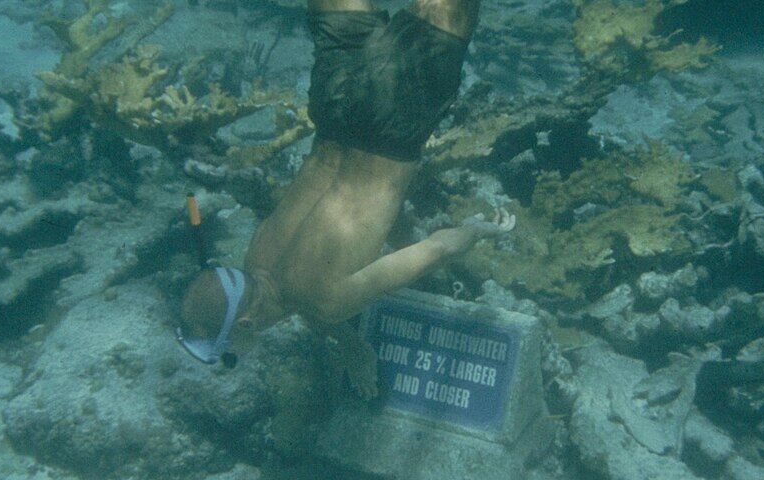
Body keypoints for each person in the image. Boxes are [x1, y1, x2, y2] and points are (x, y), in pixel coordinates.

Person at [175, 0, 514, 399]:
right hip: (334, 108)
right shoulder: (257, 258)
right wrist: (352, 346)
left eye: (230, 354)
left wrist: (479, 229)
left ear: (246, 325)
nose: (236, 357)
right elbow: (302, 300)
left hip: (392, 120)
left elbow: (437, 249)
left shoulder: (327, 302)